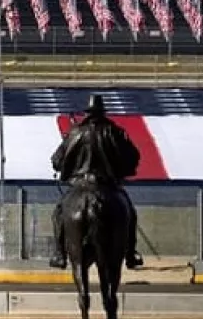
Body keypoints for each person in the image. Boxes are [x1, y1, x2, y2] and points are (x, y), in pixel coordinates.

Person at [49, 94, 144, 271]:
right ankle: (131, 253)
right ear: (102, 112)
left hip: (80, 183)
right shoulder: (114, 131)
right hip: (107, 184)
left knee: (59, 213)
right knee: (130, 213)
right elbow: (134, 157)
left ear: (88, 113)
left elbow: (56, 160)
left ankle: (59, 253)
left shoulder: (75, 131)